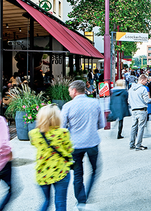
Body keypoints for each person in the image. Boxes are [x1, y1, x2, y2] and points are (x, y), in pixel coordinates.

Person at [61, 80, 105, 209]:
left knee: (78, 174)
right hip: (92, 142)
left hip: (75, 145)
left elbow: (62, 127)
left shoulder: (67, 106)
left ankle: (81, 200)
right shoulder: (95, 103)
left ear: (74, 91)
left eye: (69, 90)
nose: (69, 93)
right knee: (95, 170)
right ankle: (88, 193)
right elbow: (101, 124)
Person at [29, 105, 73, 211]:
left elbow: (34, 144)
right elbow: (69, 150)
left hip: (43, 172)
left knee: (46, 201)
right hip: (61, 172)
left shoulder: (34, 134)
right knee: (60, 202)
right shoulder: (63, 133)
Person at [128, 74, 151, 151]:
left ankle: (131, 144)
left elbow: (128, 101)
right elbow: (146, 100)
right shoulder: (143, 89)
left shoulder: (130, 89)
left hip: (134, 109)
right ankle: (138, 144)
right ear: (141, 80)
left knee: (133, 127)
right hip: (141, 109)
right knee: (141, 127)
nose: (146, 82)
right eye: (145, 81)